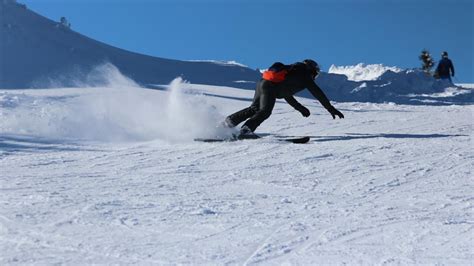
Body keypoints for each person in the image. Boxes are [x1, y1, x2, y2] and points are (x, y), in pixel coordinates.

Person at [224, 59, 344, 138]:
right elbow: (318, 93)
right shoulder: (304, 76)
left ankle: (227, 123)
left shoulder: (293, 72)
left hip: (262, 83)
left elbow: (285, 93)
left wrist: (300, 108)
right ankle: (246, 130)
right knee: (265, 111)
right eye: (315, 73)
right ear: (312, 70)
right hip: (270, 87)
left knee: (254, 108)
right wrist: (330, 108)